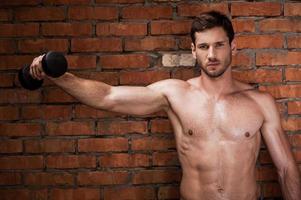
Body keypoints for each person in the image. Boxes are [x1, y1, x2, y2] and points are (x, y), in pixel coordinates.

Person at [29, 11, 301, 200]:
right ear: (193, 51)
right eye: (204, 47)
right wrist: (60, 76)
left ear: (233, 47)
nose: (212, 55)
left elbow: (286, 169)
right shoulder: (175, 94)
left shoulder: (260, 103)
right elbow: (107, 96)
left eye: (219, 45)